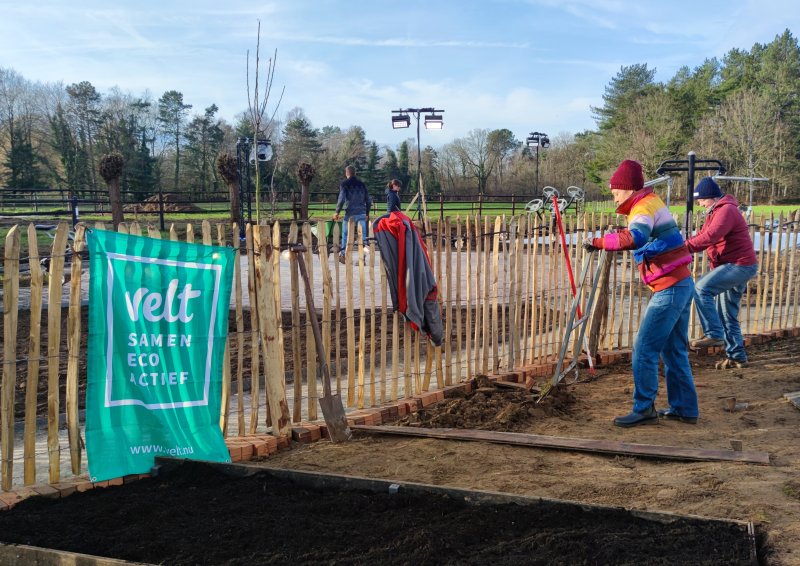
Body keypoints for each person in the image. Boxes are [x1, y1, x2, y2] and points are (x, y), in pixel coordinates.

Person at [583, 159, 699, 427]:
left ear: (627, 189)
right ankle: (685, 408)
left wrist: (599, 242)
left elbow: (636, 237)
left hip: (670, 288)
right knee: (674, 351)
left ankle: (644, 408)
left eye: (615, 190)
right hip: (681, 283)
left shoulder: (642, 207)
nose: (613, 194)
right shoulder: (652, 202)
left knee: (644, 348)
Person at [685, 177, 758, 369]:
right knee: (727, 313)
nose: (699, 203)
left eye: (701, 199)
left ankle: (714, 333)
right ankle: (737, 356)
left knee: (701, 288)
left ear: (710, 197)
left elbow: (711, 237)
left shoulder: (726, 210)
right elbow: (702, 235)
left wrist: (684, 249)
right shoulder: (715, 212)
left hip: (739, 265)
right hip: (732, 265)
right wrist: (684, 244)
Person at [333, 165, 372, 264]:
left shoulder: (344, 184)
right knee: (363, 237)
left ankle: (343, 255)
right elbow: (368, 200)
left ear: (347, 173)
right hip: (362, 213)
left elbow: (341, 199)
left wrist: (337, 212)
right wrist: (367, 212)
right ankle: (362, 258)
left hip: (350, 214)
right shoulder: (362, 184)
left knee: (345, 235)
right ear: (355, 173)